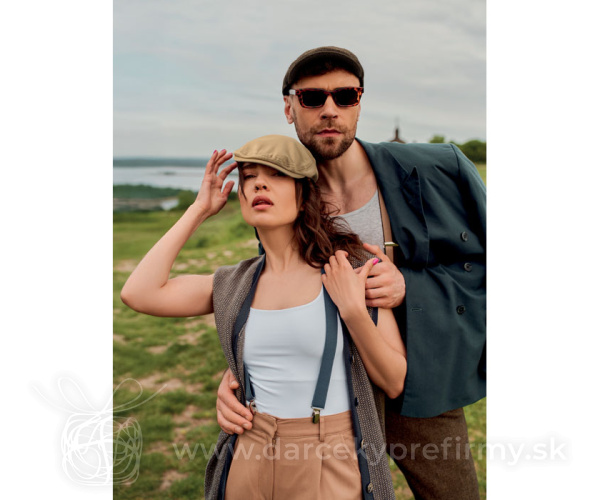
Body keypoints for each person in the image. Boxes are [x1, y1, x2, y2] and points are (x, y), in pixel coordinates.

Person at [216, 47, 486, 500]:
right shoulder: (285, 193)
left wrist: (410, 286)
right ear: (289, 107)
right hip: (334, 400)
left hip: (423, 383)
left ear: (360, 102)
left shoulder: (440, 167)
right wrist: (233, 374)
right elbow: (274, 293)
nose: (329, 109)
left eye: (345, 96)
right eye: (311, 98)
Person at [120, 135, 407, 500]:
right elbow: (139, 293)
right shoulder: (236, 283)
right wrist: (199, 210)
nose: (259, 184)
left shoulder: (349, 268)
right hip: (249, 450)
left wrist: (353, 312)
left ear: (303, 196)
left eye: (277, 175)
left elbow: (394, 380)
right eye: (249, 176)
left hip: (330, 454)